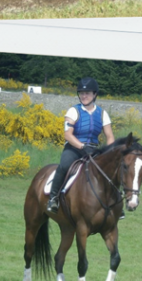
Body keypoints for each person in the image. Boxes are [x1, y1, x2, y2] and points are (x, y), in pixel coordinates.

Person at [46, 78, 115, 215]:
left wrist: (110, 152)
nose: (84, 96)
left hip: (94, 150)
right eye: (81, 93)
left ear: (94, 94)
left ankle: (113, 203)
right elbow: (67, 135)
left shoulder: (102, 114)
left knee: (110, 170)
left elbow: (110, 136)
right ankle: (53, 197)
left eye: (87, 93)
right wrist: (82, 146)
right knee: (64, 165)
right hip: (74, 148)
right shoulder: (73, 111)